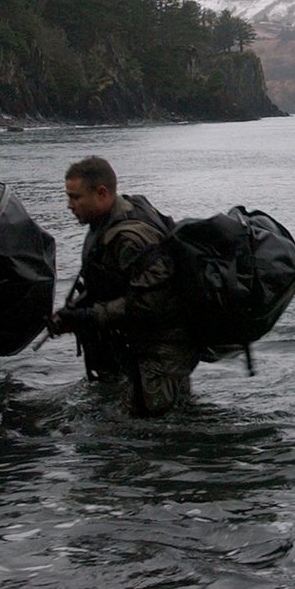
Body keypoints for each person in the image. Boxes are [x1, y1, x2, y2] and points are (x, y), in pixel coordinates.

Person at [48, 156, 199, 416]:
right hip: (134, 347)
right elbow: (109, 283)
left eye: (75, 197)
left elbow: (154, 301)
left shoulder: (130, 237)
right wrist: (71, 316)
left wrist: (87, 317)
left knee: (157, 424)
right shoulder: (104, 224)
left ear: (102, 193)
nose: (69, 205)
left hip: (161, 351)